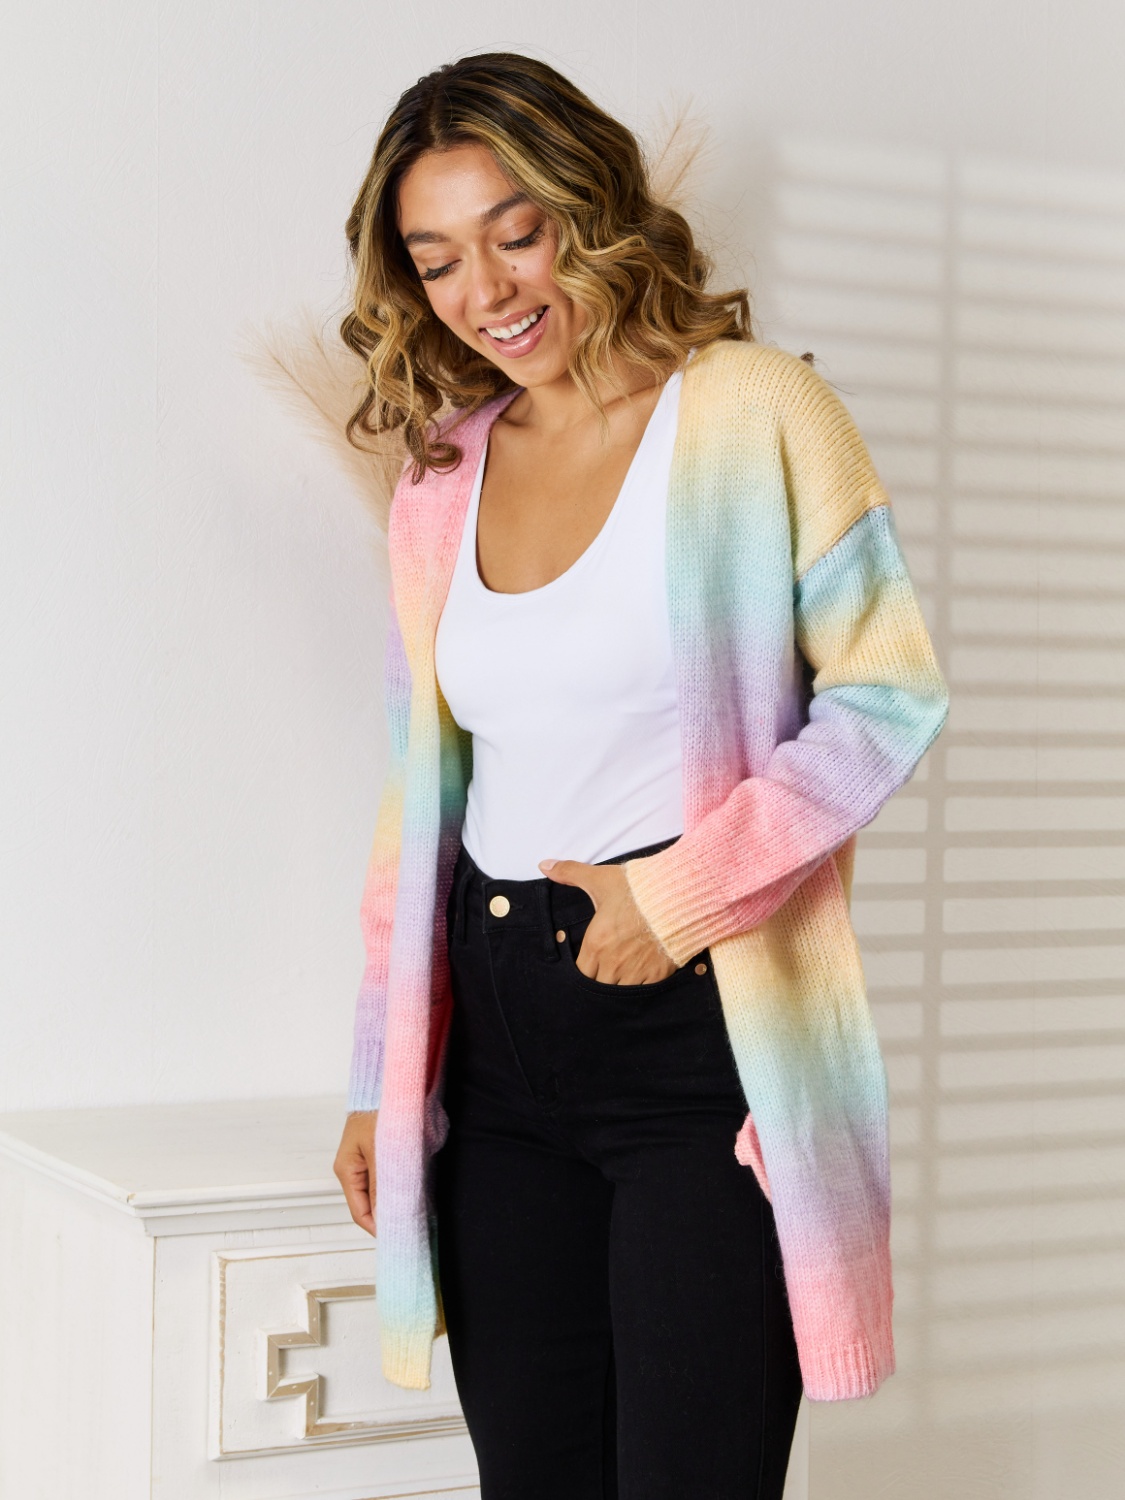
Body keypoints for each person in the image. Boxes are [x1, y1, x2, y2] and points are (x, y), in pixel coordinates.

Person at [332, 52, 948, 1500]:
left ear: (588, 209)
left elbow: (886, 694)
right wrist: (378, 1075)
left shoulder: (755, 410)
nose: (485, 290)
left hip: (694, 1032)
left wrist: (674, 899)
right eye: (437, 261)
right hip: (491, 1043)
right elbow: (418, 802)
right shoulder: (440, 476)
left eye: (516, 233)